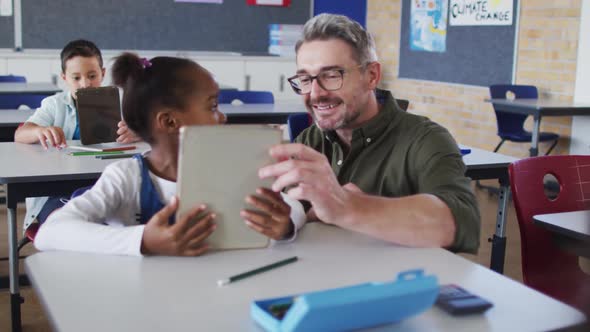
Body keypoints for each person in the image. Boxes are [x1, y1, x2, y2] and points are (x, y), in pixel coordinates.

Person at [34, 53, 305, 256]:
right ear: (169, 122)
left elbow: (291, 204)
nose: (222, 116)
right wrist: (143, 240)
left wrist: (286, 225)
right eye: (211, 106)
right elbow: (49, 233)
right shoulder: (128, 177)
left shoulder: (228, 167)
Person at [259, 14, 480, 253]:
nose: (315, 94)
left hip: (403, 284)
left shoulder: (426, 139)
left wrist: (348, 207)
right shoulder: (308, 142)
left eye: (332, 75)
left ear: (372, 76)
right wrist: (285, 222)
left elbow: (461, 222)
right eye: (305, 78)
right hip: (325, 277)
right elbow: (293, 207)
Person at [14, 39, 141, 230]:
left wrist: (136, 133)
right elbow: (20, 134)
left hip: (105, 187)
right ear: (64, 78)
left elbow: (150, 132)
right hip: (59, 190)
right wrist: (40, 130)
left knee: (124, 221)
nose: (85, 84)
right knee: (72, 225)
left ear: (103, 73)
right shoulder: (54, 105)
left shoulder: (120, 104)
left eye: (92, 75)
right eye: (76, 78)